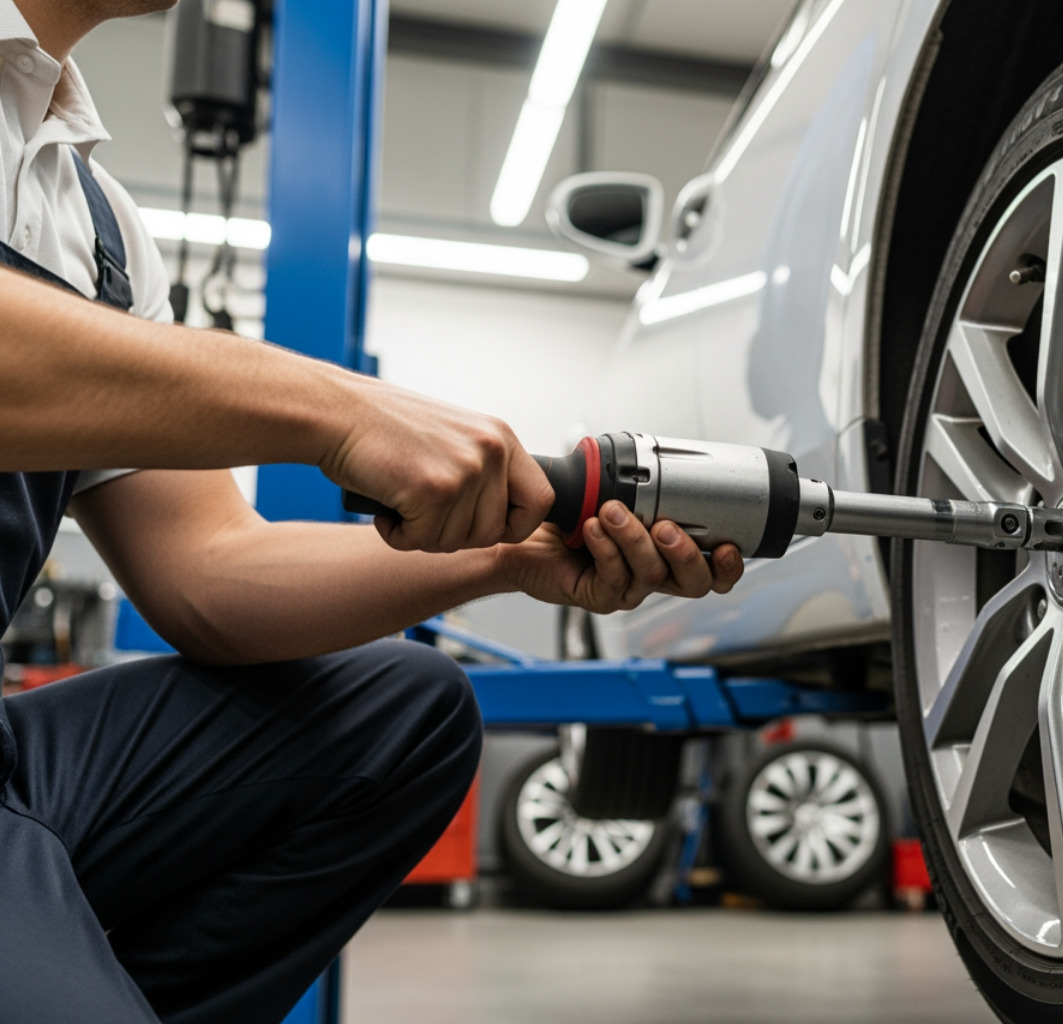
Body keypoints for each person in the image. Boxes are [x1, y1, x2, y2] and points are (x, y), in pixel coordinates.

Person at [0, 1, 745, 1021]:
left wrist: (508, 555)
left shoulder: (95, 224)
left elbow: (210, 572)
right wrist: (334, 406)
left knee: (403, 712)